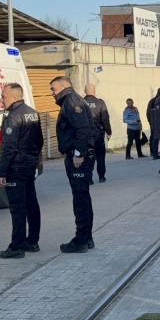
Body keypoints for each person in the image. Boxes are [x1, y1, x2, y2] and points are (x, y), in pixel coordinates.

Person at [0, 83, 44, 259]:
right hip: (29, 166)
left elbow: (9, 148)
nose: (1, 99)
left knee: (17, 208)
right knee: (31, 204)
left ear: (15, 96)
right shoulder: (32, 113)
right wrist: (34, 159)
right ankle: (32, 242)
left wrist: (1, 172)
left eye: (3, 96)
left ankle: (17, 246)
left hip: (16, 168)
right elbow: (39, 141)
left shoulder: (13, 117)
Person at [50, 76, 96, 254]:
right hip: (80, 155)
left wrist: (78, 154)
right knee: (83, 198)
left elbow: (83, 129)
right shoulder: (73, 100)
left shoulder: (71, 101)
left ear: (63, 86)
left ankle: (81, 240)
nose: (52, 93)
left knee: (80, 200)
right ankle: (87, 238)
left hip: (78, 158)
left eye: (53, 89)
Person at [84, 84, 112, 183]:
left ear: (85, 91)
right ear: (94, 91)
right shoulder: (100, 102)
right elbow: (105, 118)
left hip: (86, 133)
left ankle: (89, 179)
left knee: (88, 156)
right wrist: (108, 131)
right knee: (100, 155)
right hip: (98, 132)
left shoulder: (81, 102)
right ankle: (101, 176)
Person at [146, 87, 160, 160]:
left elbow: (147, 113)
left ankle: (154, 153)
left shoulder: (151, 101)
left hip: (153, 123)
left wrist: (150, 122)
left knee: (154, 139)